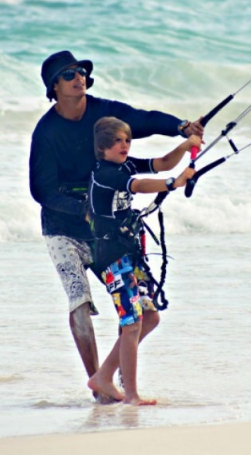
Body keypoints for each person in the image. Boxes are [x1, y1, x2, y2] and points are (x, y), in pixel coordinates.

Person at [28, 50, 204, 401]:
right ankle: (100, 385)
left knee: (143, 313)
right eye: (68, 75)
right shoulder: (46, 132)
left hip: (105, 230)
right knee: (80, 302)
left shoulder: (102, 112)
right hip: (63, 228)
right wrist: (85, 209)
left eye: (80, 71)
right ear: (54, 87)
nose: (78, 77)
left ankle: (107, 376)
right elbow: (41, 190)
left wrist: (181, 128)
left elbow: (143, 119)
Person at [86, 116, 202, 405]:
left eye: (127, 140)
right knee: (131, 322)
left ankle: (103, 376)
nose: (124, 145)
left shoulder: (124, 164)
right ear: (103, 148)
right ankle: (132, 395)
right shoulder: (105, 174)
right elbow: (138, 185)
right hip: (111, 256)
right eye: (117, 141)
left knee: (149, 317)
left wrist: (186, 145)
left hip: (129, 253)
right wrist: (173, 183)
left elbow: (161, 163)